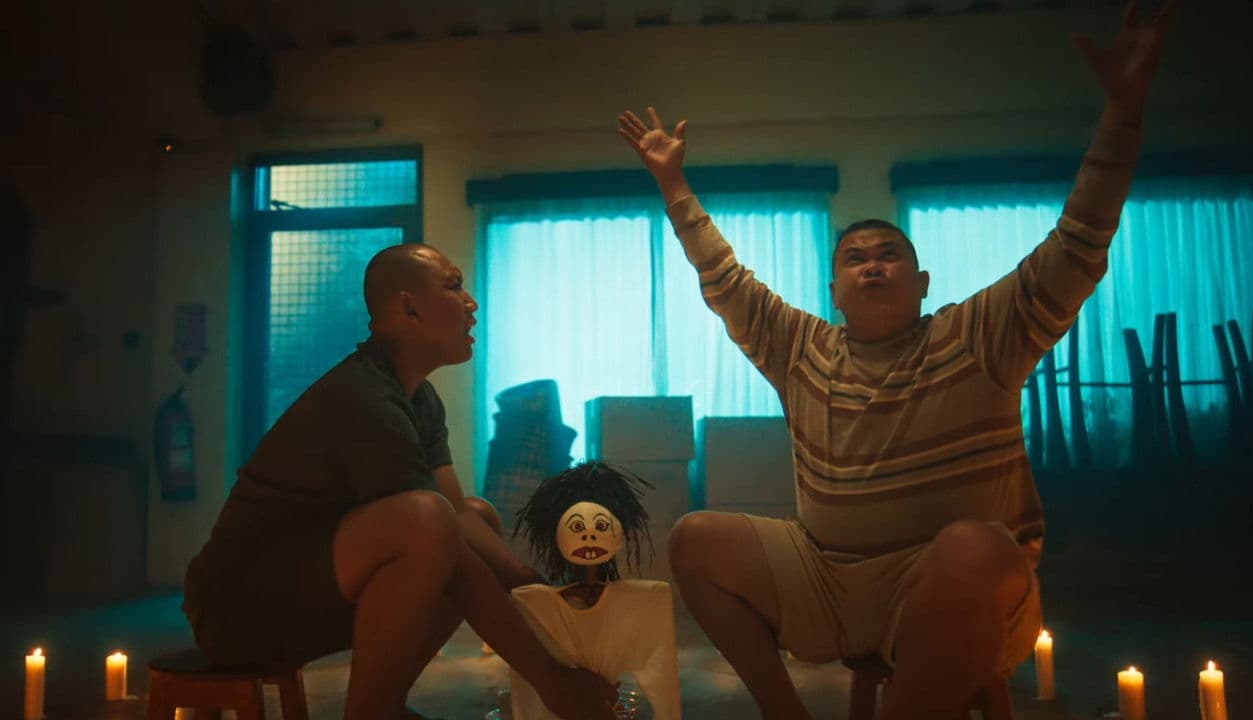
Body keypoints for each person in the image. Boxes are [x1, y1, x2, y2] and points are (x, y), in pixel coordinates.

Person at [616, 2, 1174, 718]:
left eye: (889, 255)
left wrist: (1123, 113)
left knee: (976, 547)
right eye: (855, 258)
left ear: (922, 282)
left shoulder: (978, 335)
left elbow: (1079, 243)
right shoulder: (802, 348)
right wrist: (672, 182)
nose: (872, 265)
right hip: (827, 581)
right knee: (696, 541)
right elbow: (723, 276)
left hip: (957, 588)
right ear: (835, 290)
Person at [183, 243, 617, 720]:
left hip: (310, 588)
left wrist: (531, 583)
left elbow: (458, 512)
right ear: (409, 310)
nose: (471, 303)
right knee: (426, 522)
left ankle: (384, 704)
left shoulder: (420, 399)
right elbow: (441, 536)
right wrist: (551, 678)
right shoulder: (364, 398)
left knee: (478, 516)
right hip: (236, 612)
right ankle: (370, 713)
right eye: (454, 286)